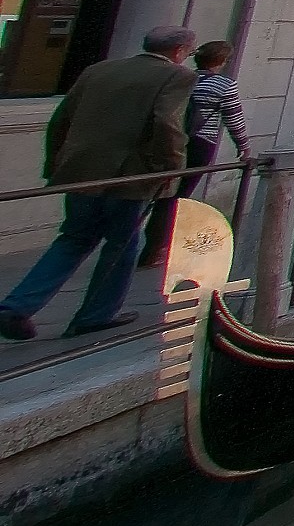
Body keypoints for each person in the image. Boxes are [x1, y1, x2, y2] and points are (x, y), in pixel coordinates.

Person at [0, 26, 198, 342]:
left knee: (74, 237)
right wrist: (172, 168)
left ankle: (17, 306)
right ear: (179, 51)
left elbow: (61, 118)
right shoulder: (178, 77)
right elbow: (166, 122)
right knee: (122, 244)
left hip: (82, 170)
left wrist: (56, 164)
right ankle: (96, 315)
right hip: (131, 174)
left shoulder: (100, 69)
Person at [138, 38, 249, 269]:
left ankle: (148, 243)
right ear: (222, 61)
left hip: (169, 141)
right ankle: (157, 248)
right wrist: (243, 146)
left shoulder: (180, 79)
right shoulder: (223, 85)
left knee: (161, 192)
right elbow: (234, 118)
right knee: (177, 196)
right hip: (200, 143)